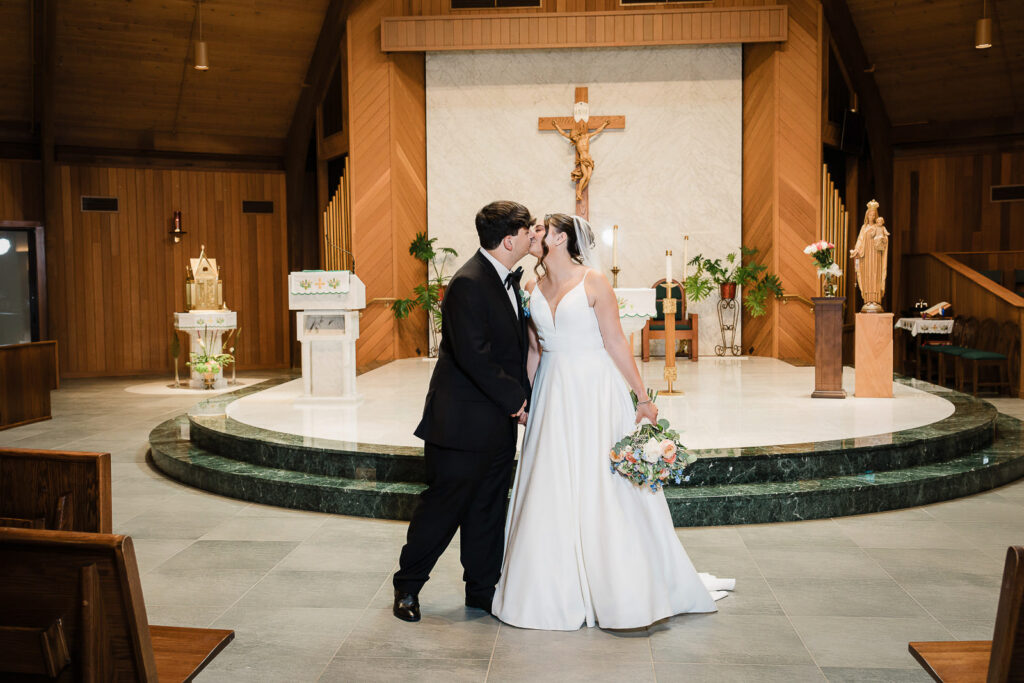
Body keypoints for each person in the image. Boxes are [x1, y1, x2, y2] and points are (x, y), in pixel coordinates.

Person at [491, 213, 734, 630]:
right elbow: (533, 349)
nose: (533, 234)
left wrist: (642, 397)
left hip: (593, 390)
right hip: (552, 391)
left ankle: (620, 584)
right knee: (550, 480)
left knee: (600, 483)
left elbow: (615, 340)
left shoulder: (593, 282)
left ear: (561, 238)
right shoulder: (531, 285)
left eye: (540, 230)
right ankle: (550, 586)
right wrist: (527, 399)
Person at [392, 200, 534, 622]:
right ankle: (407, 588)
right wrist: (518, 402)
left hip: (495, 424)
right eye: (527, 230)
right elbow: (475, 357)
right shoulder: (469, 282)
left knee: (488, 510)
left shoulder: (505, 280)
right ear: (509, 240)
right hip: (460, 426)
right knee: (442, 511)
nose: (533, 235)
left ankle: (481, 590)